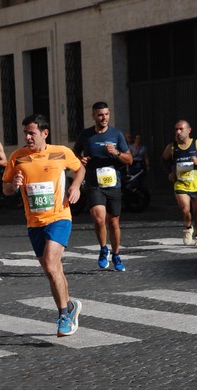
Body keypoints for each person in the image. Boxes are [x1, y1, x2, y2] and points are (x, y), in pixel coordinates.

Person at [2, 113, 85, 337]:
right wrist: (14, 185)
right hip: (34, 222)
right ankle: (69, 306)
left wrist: (76, 186)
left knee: (50, 263)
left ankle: (63, 316)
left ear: (44, 133)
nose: (28, 137)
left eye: (32, 133)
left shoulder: (61, 152)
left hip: (59, 217)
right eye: (26, 133)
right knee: (53, 270)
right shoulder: (17, 157)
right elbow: (6, 189)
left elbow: (80, 169)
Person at [74, 101, 132, 272]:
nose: (104, 117)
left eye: (106, 114)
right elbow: (74, 152)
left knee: (113, 221)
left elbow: (129, 159)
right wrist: (80, 159)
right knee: (99, 218)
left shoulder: (116, 133)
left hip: (113, 183)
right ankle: (103, 249)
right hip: (94, 183)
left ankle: (116, 254)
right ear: (94, 116)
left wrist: (117, 153)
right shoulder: (86, 135)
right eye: (100, 115)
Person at [161, 120, 197, 247]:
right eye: (176, 129)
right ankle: (188, 229)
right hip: (180, 183)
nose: (178, 132)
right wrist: (169, 173)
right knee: (185, 208)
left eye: (181, 129)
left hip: (196, 183)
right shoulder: (172, 147)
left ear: (189, 130)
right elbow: (164, 160)